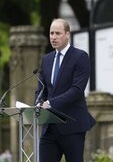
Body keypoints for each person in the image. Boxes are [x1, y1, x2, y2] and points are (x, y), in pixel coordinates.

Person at [35, 18, 96, 162]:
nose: (53, 37)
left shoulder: (80, 57)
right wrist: (38, 102)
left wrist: (50, 103)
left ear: (67, 34)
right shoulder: (46, 59)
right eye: (51, 33)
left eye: (57, 33)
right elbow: (41, 90)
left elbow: (77, 90)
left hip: (72, 126)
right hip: (49, 128)